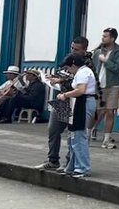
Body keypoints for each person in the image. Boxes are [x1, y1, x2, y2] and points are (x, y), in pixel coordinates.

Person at [38, 38, 90, 172]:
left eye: (76, 49)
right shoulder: (68, 58)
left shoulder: (87, 65)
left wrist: (61, 80)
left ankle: (69, 163)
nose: (73, 51)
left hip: (75, 101)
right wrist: (54, 79)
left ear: (84, 50)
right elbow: (62, 71)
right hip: (62, 98)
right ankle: (52, 160)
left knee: (72, 134)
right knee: (53, 129)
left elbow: (79, 82)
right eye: (72, 48)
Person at [56, 52, 98, 179]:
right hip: (80, 103)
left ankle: (82, 167)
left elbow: (80, 90)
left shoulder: (83, 73)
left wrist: (65, 95)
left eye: (69, 68)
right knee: (73, 137)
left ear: (73, 64)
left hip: (83, 103)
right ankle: (73, 166)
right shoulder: (82, 72)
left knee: (79, 136)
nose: (69, 71)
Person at [92, 28, 119, 150]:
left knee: (110, 112)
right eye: (103, 36)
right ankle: (86, 134)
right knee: (97, 112)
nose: (103, 38)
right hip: (99, 85)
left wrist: (106, 61)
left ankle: (106, 140)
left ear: (112, 38)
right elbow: (92, 67)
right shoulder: (97, 52)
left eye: (105, 36)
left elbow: (118, 68)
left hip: (112, 85)